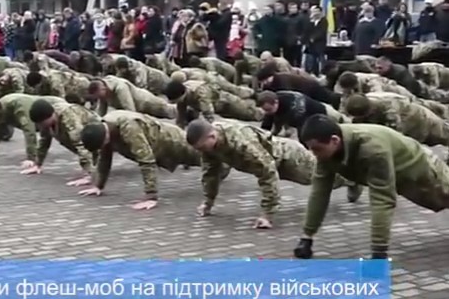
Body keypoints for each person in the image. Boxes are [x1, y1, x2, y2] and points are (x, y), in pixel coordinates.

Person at [295, 115, 449, 260]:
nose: (313, 154)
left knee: (443, 198)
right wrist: (307, 236)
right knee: (437, 202)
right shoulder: (326, 151)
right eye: (310, 149)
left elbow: (382, 200)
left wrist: (378, 252)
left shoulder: (372, 150)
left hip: (423, 167)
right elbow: (319, 193)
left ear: (334, 141)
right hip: (400, 175)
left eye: (317, 149)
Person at [185, 119, 361, 229]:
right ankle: (351, 179)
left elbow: (266, 172)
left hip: (289, 157)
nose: (201, 152)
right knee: (318, 179)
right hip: (273, 160)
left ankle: (354, 179)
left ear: (212, 137)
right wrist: (208, 203)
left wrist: (267, 214)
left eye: (201, 147)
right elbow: (210, 174)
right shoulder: (208, 147)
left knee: (320, 178)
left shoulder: (240, 140)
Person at [78, 111, 201, 210]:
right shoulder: (104, 127)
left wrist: (151, 195)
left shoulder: (128, 127)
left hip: (173, 142)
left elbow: (146, 160)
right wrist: (98, 186)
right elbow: (105, 158)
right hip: (162, 147)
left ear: (105, 138)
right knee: (209, 163)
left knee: (205, 157)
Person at [27, 98, 102, 186]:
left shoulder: (68, 116)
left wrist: (88, 175)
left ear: (50, 116)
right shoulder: (47, 121)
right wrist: (38, 164)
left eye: (41, 123)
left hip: (103, 135)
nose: (40, 126)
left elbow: (81, 143)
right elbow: (44, 140)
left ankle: (93, 169)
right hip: (93, 144)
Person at [0, 94, 66, 169]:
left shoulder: (18, 106)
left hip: (56, 104)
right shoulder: (2, 106)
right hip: (43, 108)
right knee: (47, 133)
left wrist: (31, 158)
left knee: (67, 133)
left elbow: (29, 130)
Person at [343, 93, 449, 147]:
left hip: (421, 120)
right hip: (406, 125)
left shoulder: (389, 108)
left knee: (444, 137)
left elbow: (396, 137)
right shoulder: (357, 104)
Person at [162, 73, 262, 127]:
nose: (176, 103)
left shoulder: (199, 92)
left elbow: (209, 116)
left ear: (181, 95)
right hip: (217, 106)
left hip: (226, 102)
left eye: (176, 101)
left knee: (252, 115)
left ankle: (265, 107)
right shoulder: (182, 97)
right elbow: (180, 118)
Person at [87, 75, 177, 119]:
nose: (99, 99)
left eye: (99, 96)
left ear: (103, 88)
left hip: (146, 101)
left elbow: (130, 111)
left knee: (169, 112)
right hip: (139, 107)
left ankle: (186, 110)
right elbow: (100, 112)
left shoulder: (120, 88)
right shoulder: (103, 90)